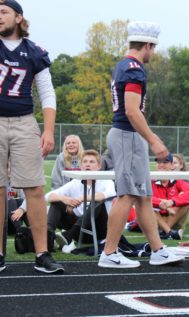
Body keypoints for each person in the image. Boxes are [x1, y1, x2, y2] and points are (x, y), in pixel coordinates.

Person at [99, 20, 184, 268]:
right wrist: (154, 140)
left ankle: (157, 249)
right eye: (153, 48)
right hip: (127, 135)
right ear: (148, 45)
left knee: (144, 196)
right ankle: (110, 252)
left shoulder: (123, 66)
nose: (153, 53)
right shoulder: (134, 68)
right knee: (126, 195)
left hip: (128, 135)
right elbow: (132, 111)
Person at [0, 0, 64, 274]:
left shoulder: (34, 52)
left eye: (3, 12)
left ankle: (42, 254)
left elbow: (47, 93)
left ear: (18, 17)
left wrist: (48, 129)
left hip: (25, 122)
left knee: (35, 189)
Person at [46, 150, 116, 253]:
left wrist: (82, 198)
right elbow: (48, 196)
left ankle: (69, 236)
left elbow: (109, 193)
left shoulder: (106, 180)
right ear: (81, 166)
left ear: (99, 166)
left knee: (97, 202)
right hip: (80, 231)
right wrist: (65, 199)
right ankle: (48, 236)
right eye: (85, 162)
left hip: (99, 230)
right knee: (57, 202)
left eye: (92, 162)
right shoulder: (75, 182)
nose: (88, 164)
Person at [152, 153, 189, 240]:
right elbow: (141, 197)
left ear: (172, 165)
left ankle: (164, 231)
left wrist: (172, 202)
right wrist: (160, 202)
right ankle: (169, 232)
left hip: (172, 218)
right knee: (146, 205)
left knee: (185, 202)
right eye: (158, 162)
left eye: (165, 162)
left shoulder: (177, 180)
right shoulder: (150, 180)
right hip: (156, 219)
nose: (161, 165)